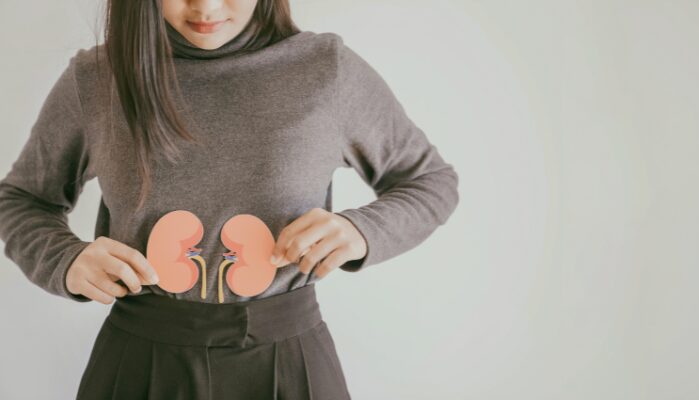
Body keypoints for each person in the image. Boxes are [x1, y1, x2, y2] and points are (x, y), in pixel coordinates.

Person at [0, 0, 460, 398]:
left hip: (289, 359)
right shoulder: (97, 79)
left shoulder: (327, 69)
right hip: (140, 358)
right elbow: (21, 199)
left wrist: (361, 231)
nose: (206, 8)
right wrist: (65, 260)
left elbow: (430, 181)